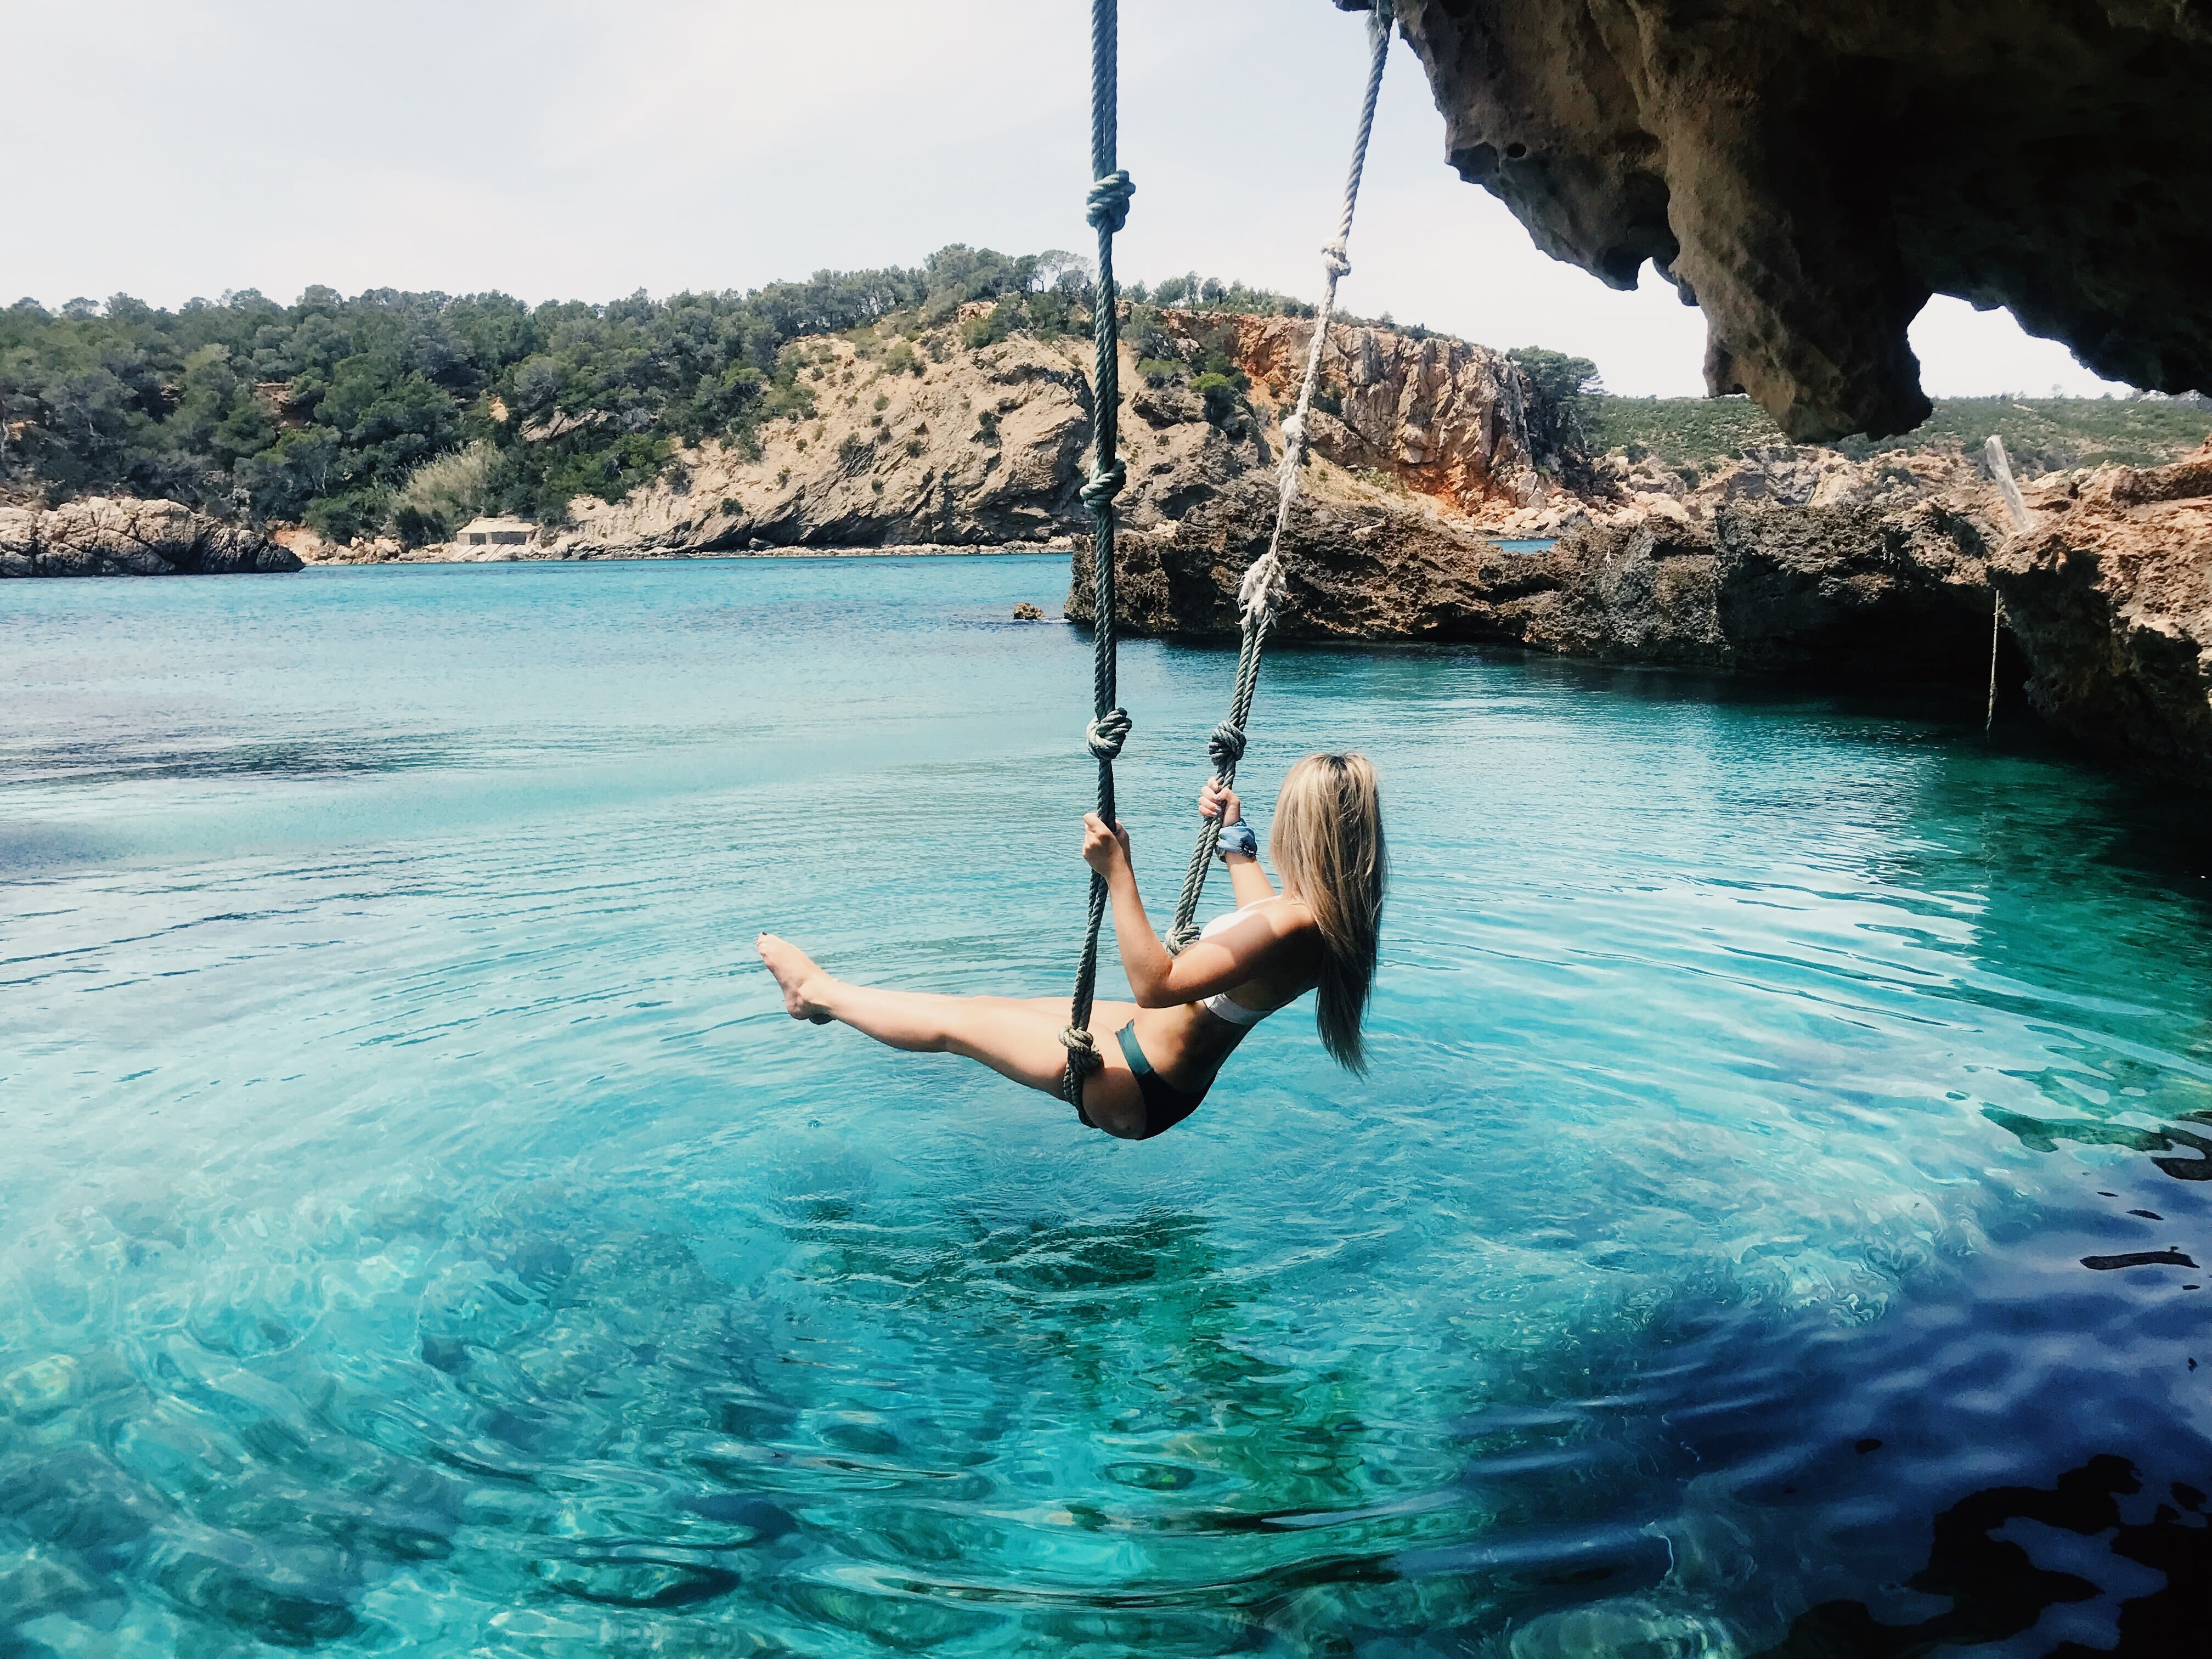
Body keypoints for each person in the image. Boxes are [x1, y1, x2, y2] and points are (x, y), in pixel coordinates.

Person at [757, 752, 1386, 1140]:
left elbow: (1156, 983)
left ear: (1301, 830)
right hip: (1154, 1060)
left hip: (1136, 1082)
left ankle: (816, 994)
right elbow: (1258, 915)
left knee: (956, 1023)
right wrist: (1232, 837)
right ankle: (822, 997)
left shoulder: (1295, 926)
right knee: (982, 1006)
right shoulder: (1322, 919)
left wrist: (1120, 873)